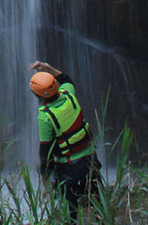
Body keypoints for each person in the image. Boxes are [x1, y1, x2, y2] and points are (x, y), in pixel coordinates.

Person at [29, 60, 102, 224]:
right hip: (91, 160)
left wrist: (45, 178)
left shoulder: (45, 117)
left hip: (69, 168)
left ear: (38, 96)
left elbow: (45, 151)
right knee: (98, 200)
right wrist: (48, 68)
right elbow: (67, 79)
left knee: (71, 209)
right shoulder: (68, 93)